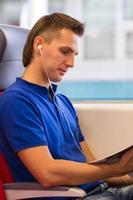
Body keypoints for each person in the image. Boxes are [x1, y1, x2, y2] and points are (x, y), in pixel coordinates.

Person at [0, 12, 133, 200]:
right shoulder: (17, 101)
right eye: (65, 51)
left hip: (100, 191)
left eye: (74, 54)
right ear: (38, 45)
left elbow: (89, 165)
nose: (71, 63)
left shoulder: (63, 102)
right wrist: (117, 167)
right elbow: (47, 174)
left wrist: (127, 173)